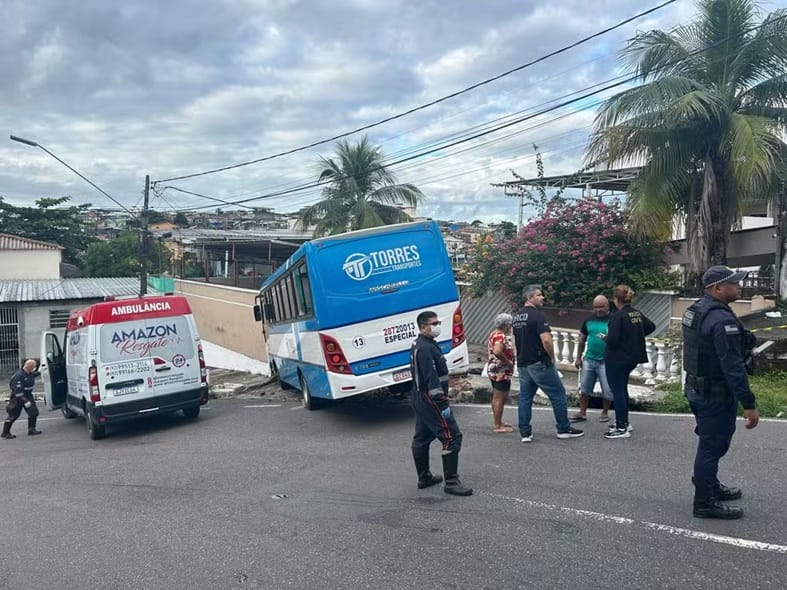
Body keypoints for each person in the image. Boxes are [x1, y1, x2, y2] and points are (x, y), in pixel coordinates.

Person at [682, 265, 760, 519]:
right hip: (714, 394)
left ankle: (709, 485)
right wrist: (748, 403)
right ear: (718, 288)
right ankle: (704, 503)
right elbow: (732, 365)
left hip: (696, 387)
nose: (740, 286)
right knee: (713, 446)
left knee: (710, 442)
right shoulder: (720, 319)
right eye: (734, 283)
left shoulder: (697, 310)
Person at [409, 310, 472, 496]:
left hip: (420, 397)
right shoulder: (426, 348)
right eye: (433, 324)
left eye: (438, 323)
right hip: (431, 398)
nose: (437, 326)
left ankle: (424, 477)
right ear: (422, 327)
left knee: (421, 437)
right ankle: (451, 482)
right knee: (452, 436)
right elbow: (432, 379)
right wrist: (443, 404)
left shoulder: (420, 344)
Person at [513, 286, 584, 442]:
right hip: (538, 361)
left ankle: (525, 432)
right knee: (558, 394)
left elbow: (515, 340)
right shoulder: (537, 316)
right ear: (529, 297)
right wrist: (551, 357)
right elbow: (546, 339)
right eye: (539, 295)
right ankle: (563, 428)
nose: (542, 298)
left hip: (523, 362)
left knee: (525, 397)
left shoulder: (517, 317)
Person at [603, 285, 655, 440]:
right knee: (622, 389)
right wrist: (634, 336)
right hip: (632, 357)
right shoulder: (636, 313)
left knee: (617, 391)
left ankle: (621, 427)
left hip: (617, 358)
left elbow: (612, 340)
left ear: (615, 299)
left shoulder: (617, 316)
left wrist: (603, 337)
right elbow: (651, 326)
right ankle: (624, 422)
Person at [571, 295, 613, 423]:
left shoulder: (614, 319)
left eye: (601, 307)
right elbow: (582, 339)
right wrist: (578, 357)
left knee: (607, 390)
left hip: (607, 360)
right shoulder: (588, 320)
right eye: (595, 307)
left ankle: (605, 412)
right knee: (584, 388)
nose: (598, 310)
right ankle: (582, 412)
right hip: (589, 359)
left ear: (607, 306)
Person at [486, 313, 515, 433]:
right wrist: (508, 361)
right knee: (500, 397)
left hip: (495, 369)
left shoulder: (494, 333)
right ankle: (497, 425)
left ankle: (498, 421)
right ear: (507, 325)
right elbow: (497, 351)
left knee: (497, 397)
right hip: (500, 370)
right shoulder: (500, 336)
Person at [2, 359, 42, 439]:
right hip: (18, 398)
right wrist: (25, 401)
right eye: (34, 367)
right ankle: (5, 432)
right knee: (13, 415)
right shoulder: (18, 376)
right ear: (29, 367)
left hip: (28, 395)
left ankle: (31, 429)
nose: (34, 368)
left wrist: (42, 370)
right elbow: (18, 392)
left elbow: (34, 374)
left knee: (33, 412)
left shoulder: (29, 373)